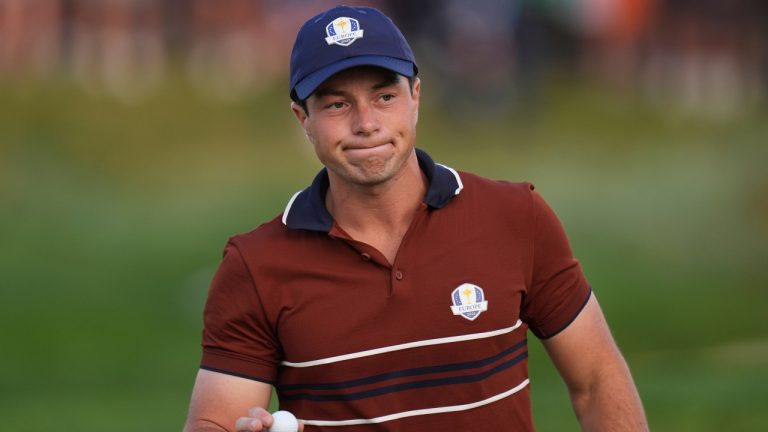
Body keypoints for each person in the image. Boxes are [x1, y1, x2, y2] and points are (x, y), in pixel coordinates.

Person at [183, 5, 648, 432]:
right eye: (337, 104)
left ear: (416, 97)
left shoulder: (515, 217)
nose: (366, 123)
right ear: (302, 117)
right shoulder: (255, 265)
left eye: (384, 96)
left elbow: (597, 380)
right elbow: (217, 422)